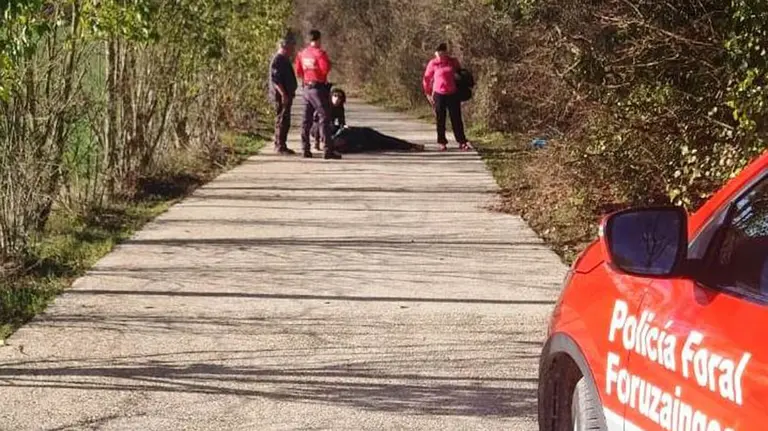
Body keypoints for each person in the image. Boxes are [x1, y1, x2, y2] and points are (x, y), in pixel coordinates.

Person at [295, 29, 342, 160]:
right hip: (318, 88)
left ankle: (305, 149)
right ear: (319, 39)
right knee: (325, 117)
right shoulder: (320, 54)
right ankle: (327, 150)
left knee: (306, 119)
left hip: (306, 88)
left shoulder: (302, 54)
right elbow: (325, 69)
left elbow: (298, 72)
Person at [422, 43, 473, 151]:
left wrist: (459, 78)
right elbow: (426, 79)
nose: (440, 54)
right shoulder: (433, 63)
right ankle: (442, 142)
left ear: (445, 52)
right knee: (440, 119)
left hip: (453, 93)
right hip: (439, 94)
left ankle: (462, 141)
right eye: (438, 52)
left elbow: (461, 74)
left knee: (456, 119)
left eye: (442, 52)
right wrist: (427, 92)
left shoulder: (453, 62)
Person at [268, 33, 298, 155]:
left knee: (285, 120)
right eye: (292, 46)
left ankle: (282, 144)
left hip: (286, 95)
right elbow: (276, 79)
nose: (293, 49)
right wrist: (283, 94)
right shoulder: (278, 59)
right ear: (285, 46)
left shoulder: (284, 59)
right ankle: (279, 146)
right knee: (281, 120)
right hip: (280, 96)